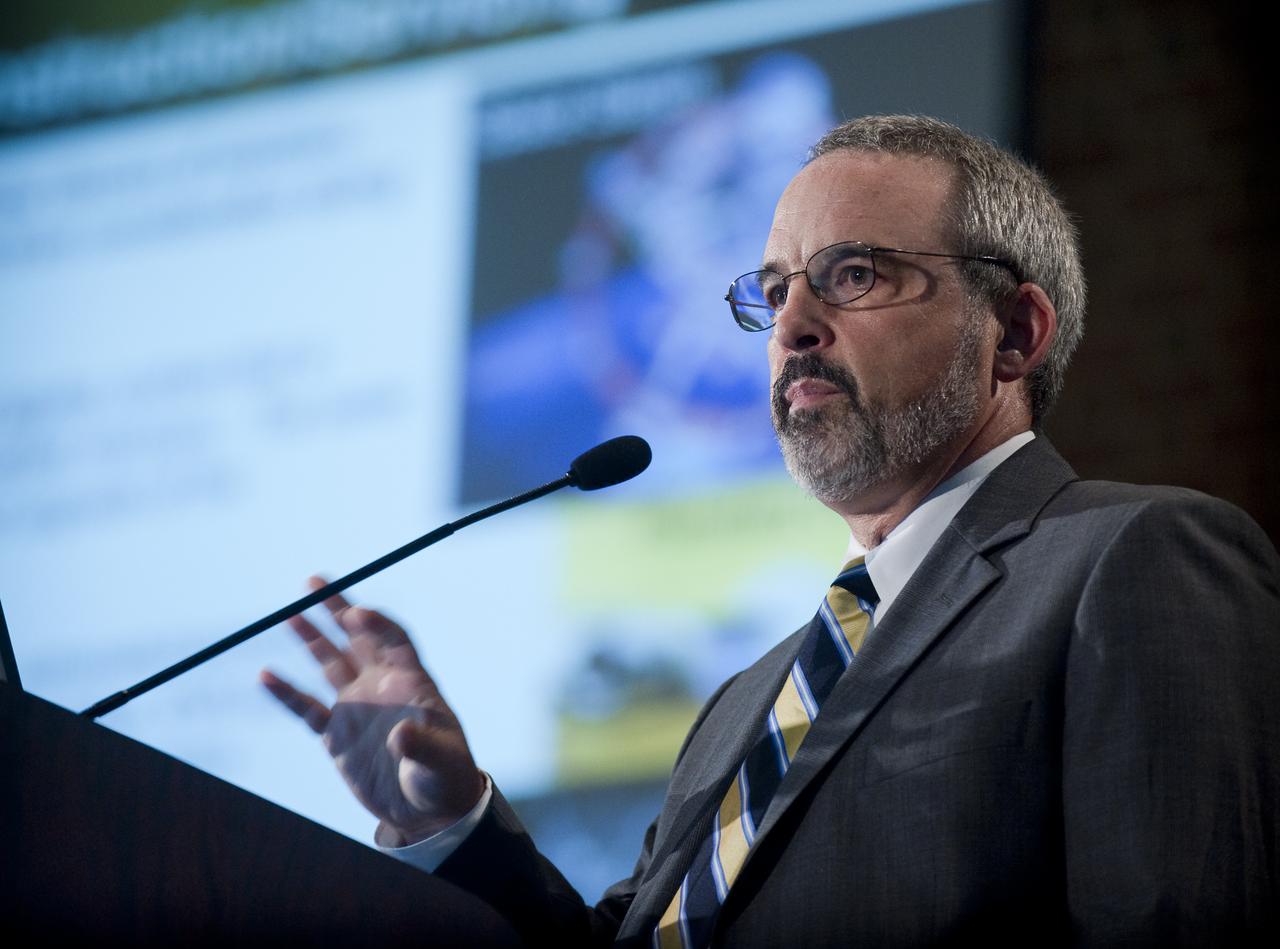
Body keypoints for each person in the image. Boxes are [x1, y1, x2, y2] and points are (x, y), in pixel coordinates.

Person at [260, 115, 1279, 946]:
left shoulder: (1133, 558)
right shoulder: (748, 702)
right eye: (773, 289)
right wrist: (450, 819)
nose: (790, 324)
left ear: (1011, 332)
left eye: (851, 275)